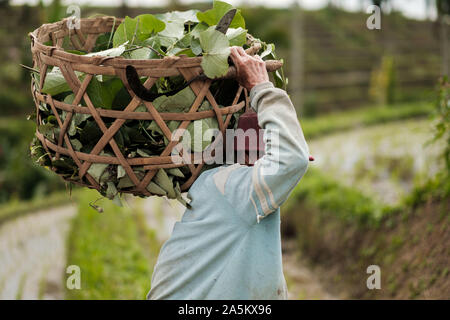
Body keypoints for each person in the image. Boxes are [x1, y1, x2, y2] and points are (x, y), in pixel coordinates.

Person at [147, 46, 310, 300]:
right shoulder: (232, 188)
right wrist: (260, 86)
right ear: (242, 150)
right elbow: (293, 160)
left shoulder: (213, 183)